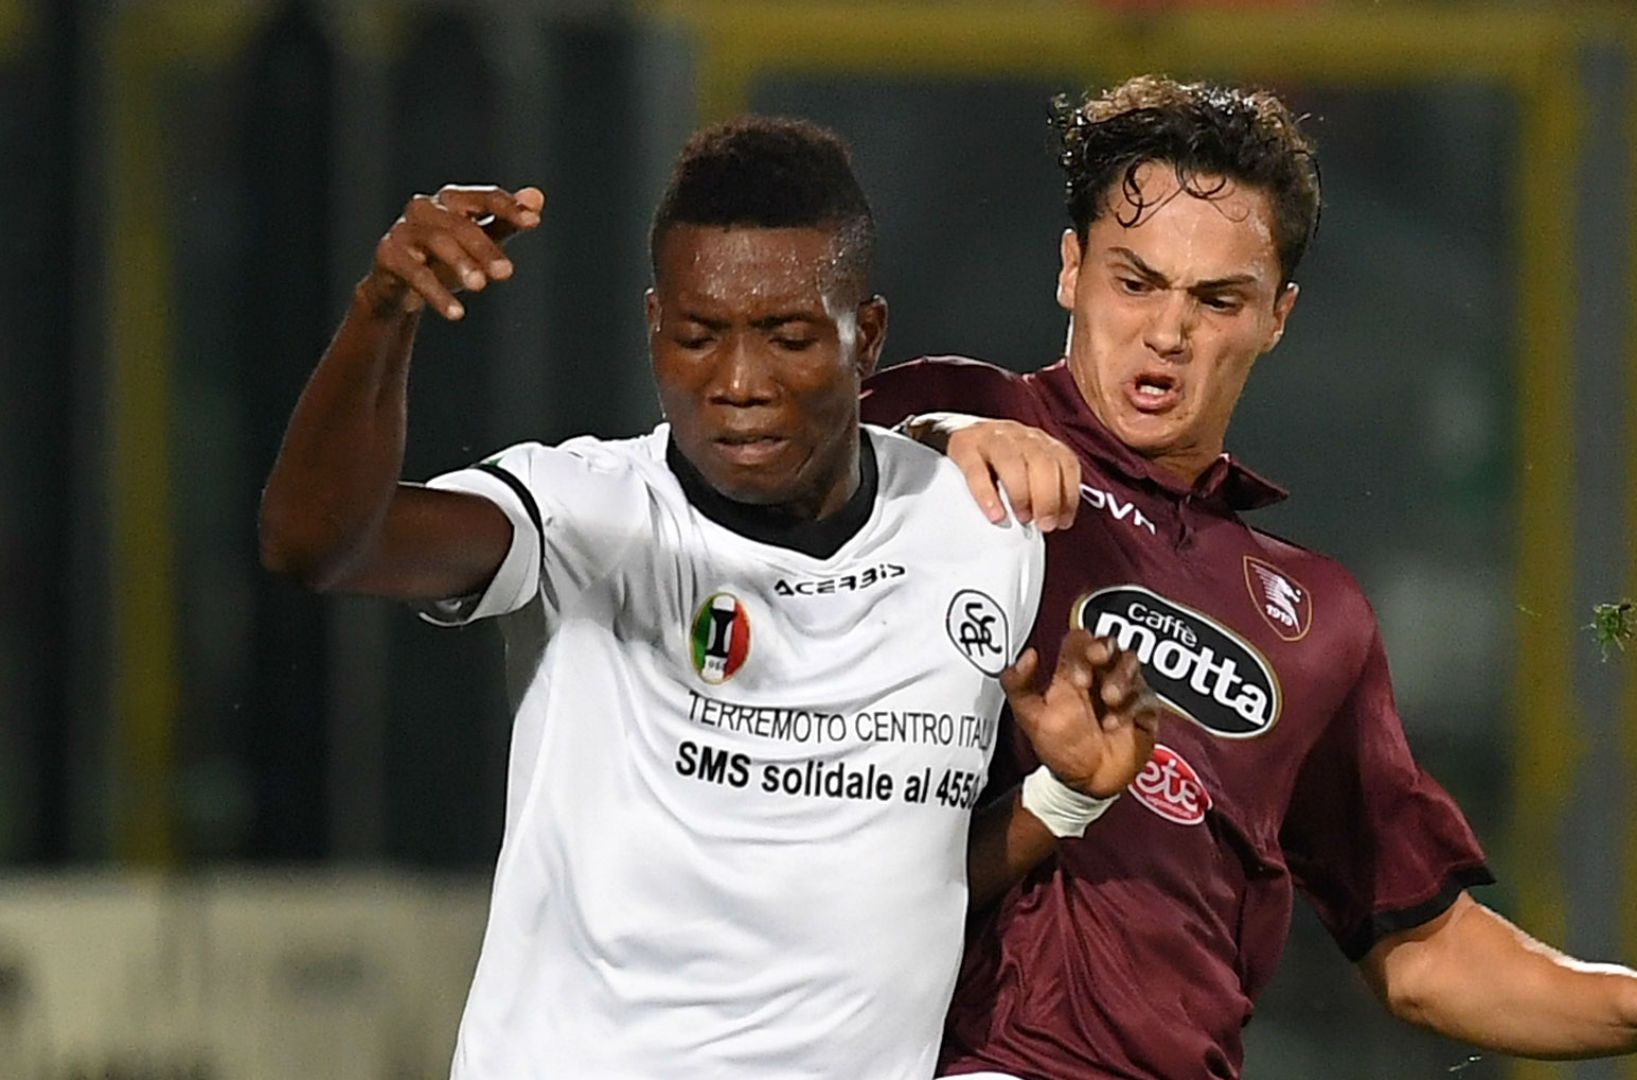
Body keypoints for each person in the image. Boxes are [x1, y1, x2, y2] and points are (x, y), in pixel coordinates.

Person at [861, 75, 1637, 1080]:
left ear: (1278, 317)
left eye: (1217, 300)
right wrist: (919, 442)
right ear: (1071, 270)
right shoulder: (940, 418)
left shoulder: (1312, 618)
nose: (1168, 332)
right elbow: (734, 499)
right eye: (1136, 282)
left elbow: (1423, 952)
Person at [258, 117, 1157, 1078]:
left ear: (869, 340)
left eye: (787, 337)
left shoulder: (978, 531)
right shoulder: (584, 519)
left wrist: (1063, 799)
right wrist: (382, 311)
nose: (738, 383)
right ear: (653, 329)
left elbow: (896, 878)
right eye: (697, 336)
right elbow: (317, 546)